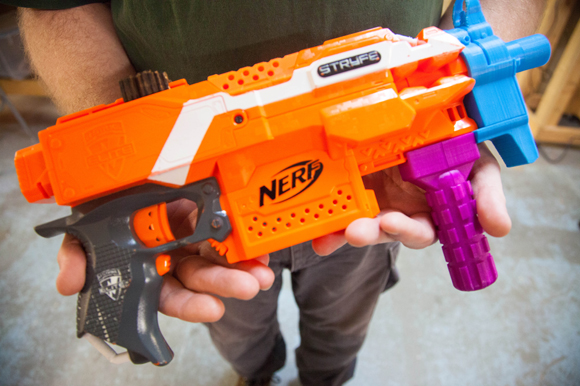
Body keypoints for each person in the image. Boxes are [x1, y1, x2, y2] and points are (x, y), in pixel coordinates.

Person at [9, 0, 544, 385]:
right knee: (238, 326)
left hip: (375, 179)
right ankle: (257, 374)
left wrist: (450, 107)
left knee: (340, 319)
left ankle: (325, 379)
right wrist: (121, 150)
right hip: (164, 162)